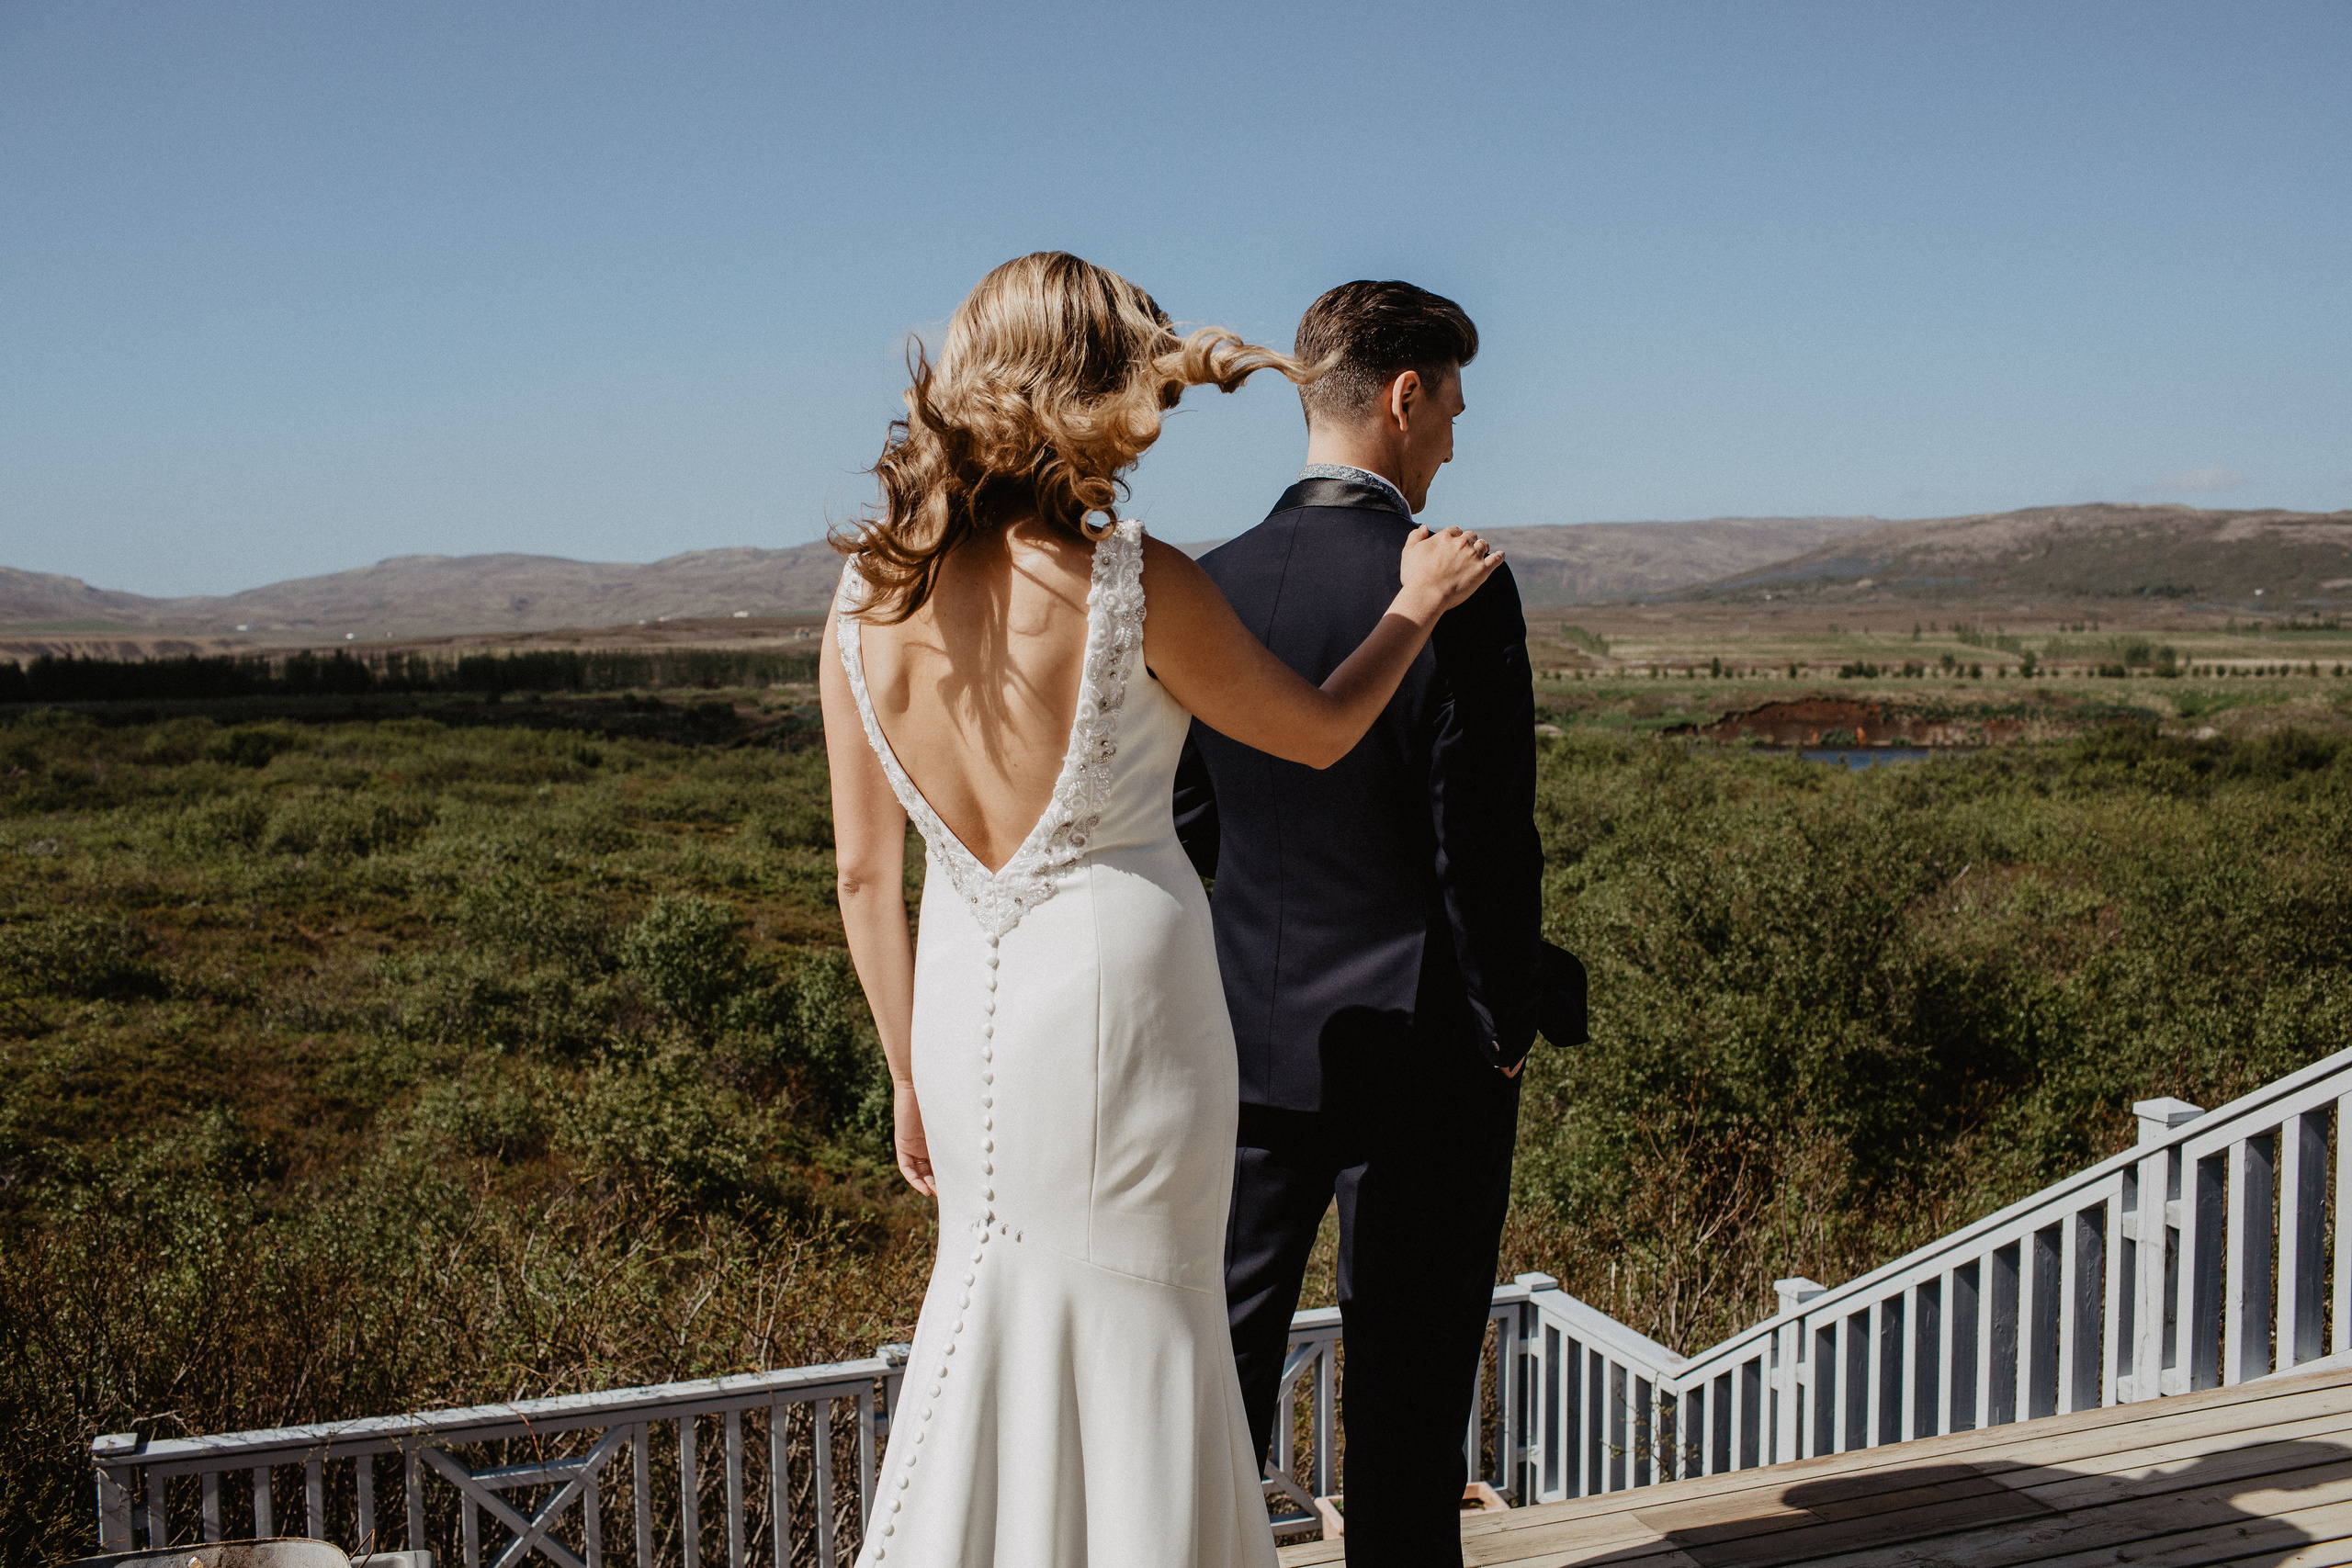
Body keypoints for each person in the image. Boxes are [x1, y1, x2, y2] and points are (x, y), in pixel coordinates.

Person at [820, 253, 1503, 1568]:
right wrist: (1412, 608)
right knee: (1146, 1330)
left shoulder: (863, 599)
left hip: (964, 1018)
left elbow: (863, 880)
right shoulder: (1131, 581)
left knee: (993, 1305)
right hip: (1128, 1016)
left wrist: (906, 1068)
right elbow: (1314, 735)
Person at [1173, 280, 1547, 1568]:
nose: (1452, 435)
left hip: (1249, 1043)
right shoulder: (1457, 589)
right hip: (1428, 1044)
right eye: (1449, 402)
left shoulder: (1204, 586)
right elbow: (1484, 843)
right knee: (1406, 1386)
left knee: (1213, 1366)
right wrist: (1504, 1026)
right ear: (1402, 397)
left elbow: (1187, 824)